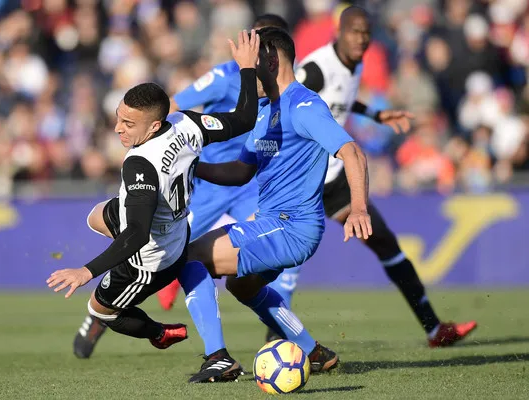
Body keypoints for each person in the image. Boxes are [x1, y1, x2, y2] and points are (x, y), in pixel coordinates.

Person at [71, 14, 290, 360]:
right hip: (204, 183)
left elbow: (137, 234)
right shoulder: (208, 96)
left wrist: (86, 269)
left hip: (234, 185)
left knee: (188, 257)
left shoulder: (139, 163)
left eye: (262, 49)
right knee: (97, 216)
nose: (117, 130)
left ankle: (124, 308)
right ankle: (122, 291)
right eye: (251, 45)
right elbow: (194, 107)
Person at [265, 6, 477, 347]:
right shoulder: (317, 68)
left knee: (385, 243)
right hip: (302, 179)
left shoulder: (355, 64)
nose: (361, 39)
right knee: (286, 263)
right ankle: (273, 341)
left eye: (366, 33)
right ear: (339, 32)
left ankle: (434, 330)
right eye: (354, 32)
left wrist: (375, 113)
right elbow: (286, 101)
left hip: (333, 180)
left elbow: (340, 101)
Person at [184, 26, 371, 382]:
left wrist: (358, 207)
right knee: (242, 285)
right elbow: (241, 171)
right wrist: (194, 165)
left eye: (247, 65)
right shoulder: (266, 109)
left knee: (190, 256)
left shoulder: (303, 105)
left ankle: (217, 358)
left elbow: (352, 152)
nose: (243, 74)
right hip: (273, 222)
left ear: (270, 60)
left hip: (290, 226)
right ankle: (313, 353)